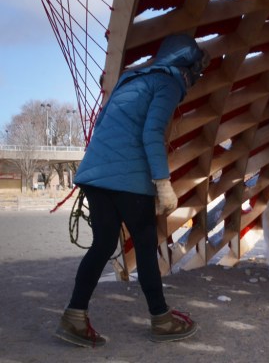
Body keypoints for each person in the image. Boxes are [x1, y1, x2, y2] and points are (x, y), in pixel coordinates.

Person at [55, 34, 210, 348]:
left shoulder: (131, 79)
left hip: (95, 173)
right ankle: (160, 319)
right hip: (128, 178)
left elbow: (100, 124)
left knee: (102, 244)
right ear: (187, 67)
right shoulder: (168, 83)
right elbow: (151, 132)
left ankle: (74, 315)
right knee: (144, 242)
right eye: (196, 71)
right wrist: (162, 183)